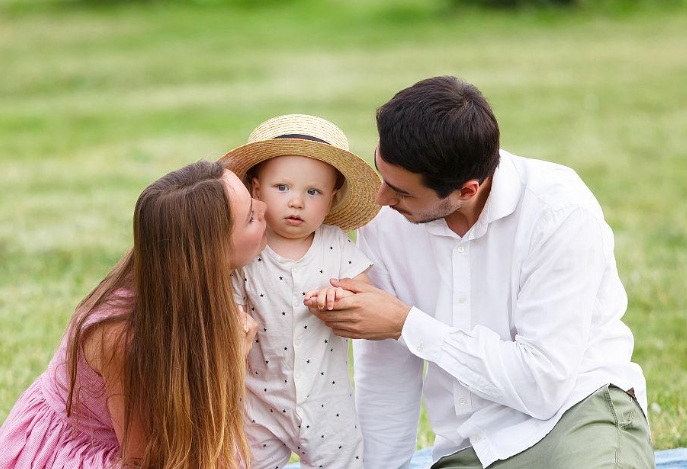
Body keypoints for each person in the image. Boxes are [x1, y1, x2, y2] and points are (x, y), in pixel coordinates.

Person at [307, 76, 655, 469]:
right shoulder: (383, 221)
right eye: (380, 172)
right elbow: (386, 382)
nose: (381, 198)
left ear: (467, 190)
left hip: (578, 415)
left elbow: (544, 385)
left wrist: (408, 325)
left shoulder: (558, 211)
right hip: (471, 447)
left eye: (402, 192)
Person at [0, 160, 266, 469]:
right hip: (98, 454)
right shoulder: (123, 335)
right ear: (211, 253)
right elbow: (146, 460)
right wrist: (231, 362)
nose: (264, 208)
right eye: (250, 216)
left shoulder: (180, 277)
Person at [219, 114, 381, 469]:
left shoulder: (335, 246)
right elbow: (228, 313)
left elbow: (363, 295)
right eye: (282, 188)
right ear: (256, 192)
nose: (297, 202)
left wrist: (340, 299)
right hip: (257, 401)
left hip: (327, 402)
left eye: (313, 192)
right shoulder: (248, 251)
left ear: (331, 200)